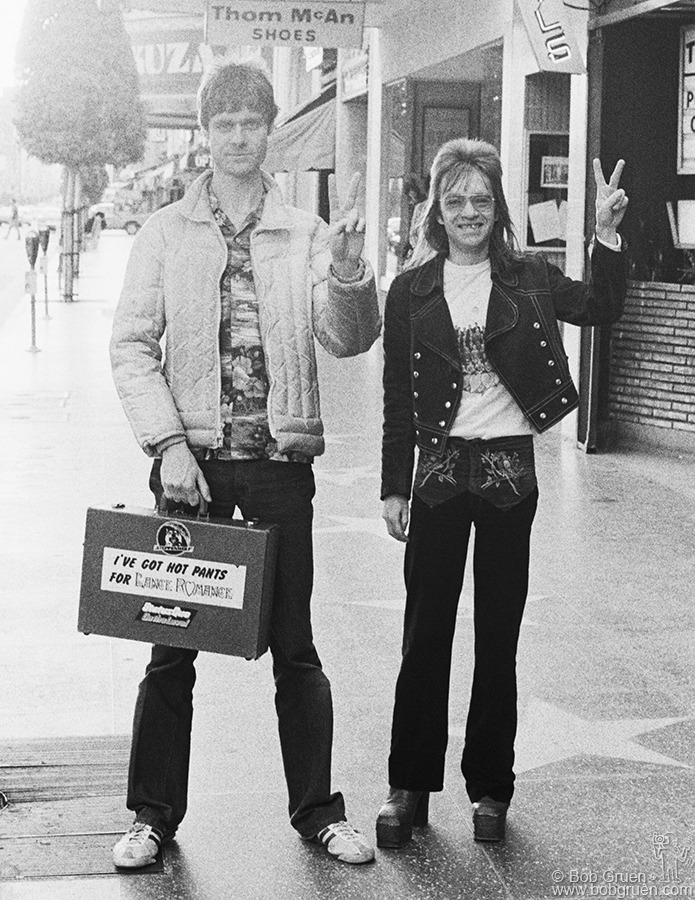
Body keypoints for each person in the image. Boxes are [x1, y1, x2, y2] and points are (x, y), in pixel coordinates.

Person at [109, 62, 381, 868]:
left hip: (276, 466)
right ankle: (152, 817)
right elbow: (130, 346)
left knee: (295, 648)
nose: (236, 136)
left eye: (249, 122)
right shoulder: (164, 231)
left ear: (270, 131)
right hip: (189, 470)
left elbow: (347, 338)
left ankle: (318, 813)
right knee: (170, 650)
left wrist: (348, 273)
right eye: (222, 122)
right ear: (205, 132)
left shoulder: (304, 230)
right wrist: (167, 447)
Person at [377, 138, 628, 848]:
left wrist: (605, 238)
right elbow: (399, 398)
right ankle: (408, 786)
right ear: (435, 207)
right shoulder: (411, 290)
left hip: (507, 478)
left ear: (498, 206)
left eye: (480, 200)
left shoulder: (529, 279)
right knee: (423, 635)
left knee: (497, 636)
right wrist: (393, 486)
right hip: (434, 476)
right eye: (454, 200)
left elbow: (601, 307)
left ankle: (490, 787)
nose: (468, 212)